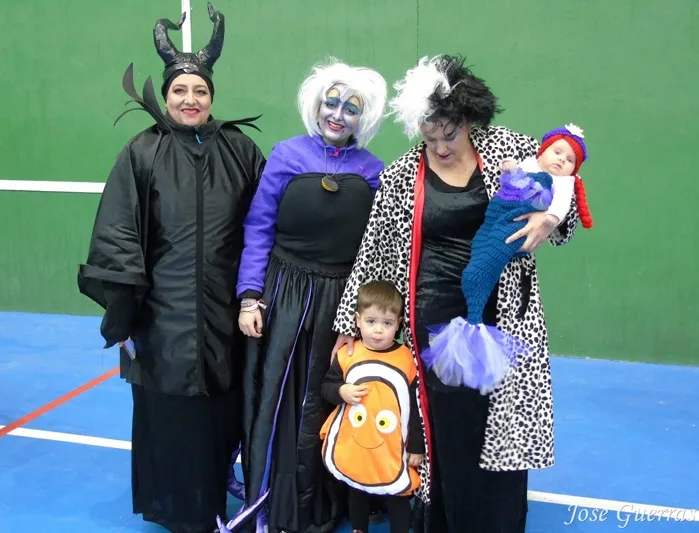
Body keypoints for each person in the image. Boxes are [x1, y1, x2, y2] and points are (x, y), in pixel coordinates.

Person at [332, 54, 583, 533]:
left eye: (450, 134)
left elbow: (565, 184)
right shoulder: (403, 174)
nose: (441, 147)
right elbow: (375, 249)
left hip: (505, 310)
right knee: (448, 427)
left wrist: (550, 216)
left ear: (469, 120)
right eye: (430, 137)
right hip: (436, 315)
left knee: (500, 421)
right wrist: (349, 323)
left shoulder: (510, 147)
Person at [77, 4, 265, 532]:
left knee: (221, 415)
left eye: (200, 90)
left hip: (226, 315)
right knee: (171, 417)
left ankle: (217, 499)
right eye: (180, 90)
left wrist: (255, 295)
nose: (190, 99)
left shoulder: (240, 150)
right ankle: (178, 510)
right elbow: (118, 234)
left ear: (212, 97)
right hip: (163, 320)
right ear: (165, 96)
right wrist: (122, 315)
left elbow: (264, 224)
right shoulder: (142, 152)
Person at [234, 59, 388, 533]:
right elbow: (258, 227)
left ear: (363, 118)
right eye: (331, 103)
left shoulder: (375, 172)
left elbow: (377, 247)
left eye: (350, 108)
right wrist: (249, 296)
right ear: (317, 106)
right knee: (277, 395)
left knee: (327, 397)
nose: (338, 114)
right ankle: (269, 501)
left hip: (340, 302)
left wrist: (362, 317)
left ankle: (327, 500)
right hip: (283, 296)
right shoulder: (286, 155)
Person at [421, 123, 593, 394]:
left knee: (476, 274)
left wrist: (547, 218)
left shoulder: (553, 174)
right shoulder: (408, 169)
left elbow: (561, 217)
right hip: (480, 237)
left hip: (510, 254)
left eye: (569, 159)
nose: (561, 159)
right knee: (478, 258)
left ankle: (474, 325)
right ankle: (472, 322)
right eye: (557, 152)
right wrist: (512, 170)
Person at [320, 280, 425, 533]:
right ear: (357, 320)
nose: (378, 330)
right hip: (357, 442)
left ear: (399, 323)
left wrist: (416, 446)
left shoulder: (407, 359)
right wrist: (341, 391)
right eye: (371, 321)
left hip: (393, 446)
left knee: (399, 491)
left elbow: (416, 408)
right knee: (357, 486)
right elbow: (326, 387)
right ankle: (359, 528)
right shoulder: (347, 354)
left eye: (387, 323)